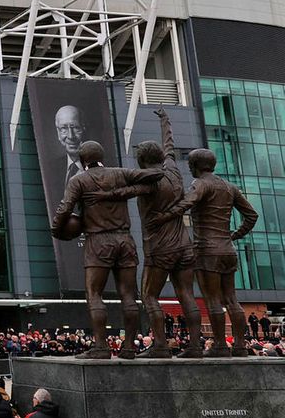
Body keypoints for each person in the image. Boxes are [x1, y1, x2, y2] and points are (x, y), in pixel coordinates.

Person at [90, 108, 202, 357]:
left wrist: (102, 194)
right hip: (185, 245)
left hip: (160, 249)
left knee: (149, 295)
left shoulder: (149, 183)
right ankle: (196, 345)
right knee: (187, 294)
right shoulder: (172, 169)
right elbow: (169, 144)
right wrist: (165, 120)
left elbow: (123, 192)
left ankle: (160, 345)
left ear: (141, 162)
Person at [51, 140, 160, 359]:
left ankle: (101, 346)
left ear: (83, 161)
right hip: (125, 240)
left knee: (94, 294)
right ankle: (129, 347)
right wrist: (122, 192)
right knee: (129, 295)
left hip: (98, 240)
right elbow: (156, 176)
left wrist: (56, 229)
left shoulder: (79, 179)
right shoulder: (120, 173)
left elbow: (65, 208)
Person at [150, 147, 259, 356]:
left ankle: (219, 345)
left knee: (213, 300)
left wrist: (164, 216)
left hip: (207, 251)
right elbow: (252, 215)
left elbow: (187, 202)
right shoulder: (229, 187)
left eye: (190, 164)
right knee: (231, 299)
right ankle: (240, 345)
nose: (189, 168)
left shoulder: (200, 183)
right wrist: (235, 235)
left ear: (196, 166)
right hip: (228, 249)